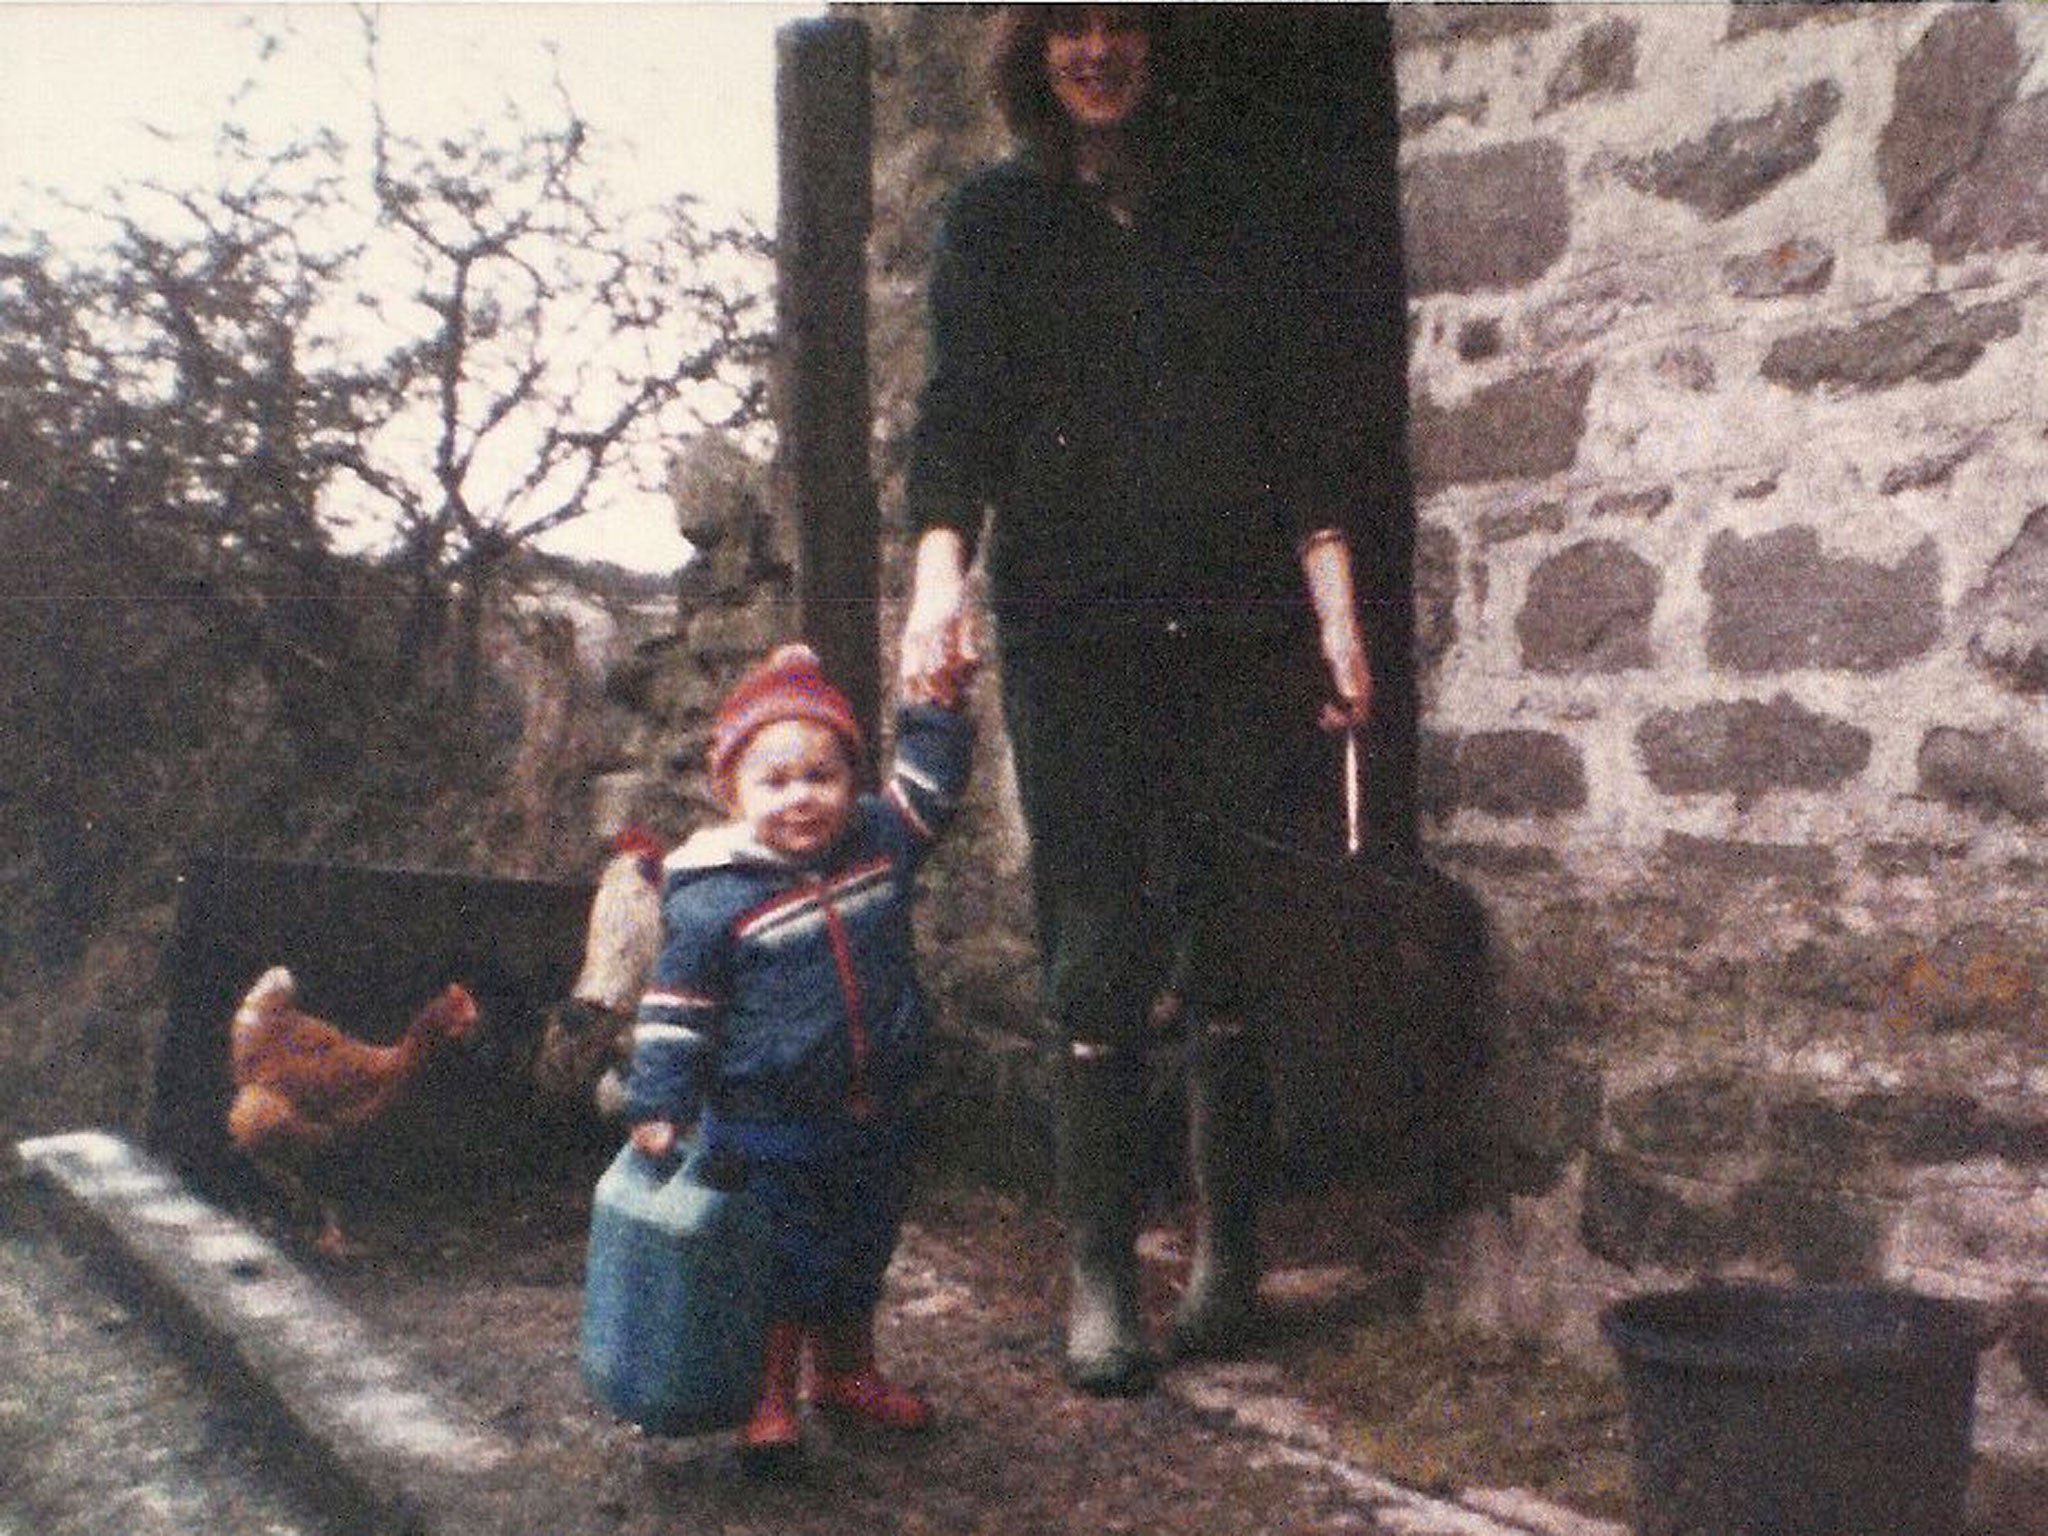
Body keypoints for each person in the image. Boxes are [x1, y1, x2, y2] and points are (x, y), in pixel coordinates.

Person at [897, 5, 1373, 1398]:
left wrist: (1336, 616)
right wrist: (941, 590)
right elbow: (957, 422)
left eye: (1123, 23)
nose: (1097, 49)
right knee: (1097, 944)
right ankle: (1102, 1274)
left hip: (1236, 624)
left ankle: (1230, 1257)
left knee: (1232, 932)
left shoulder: (1235, 215)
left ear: (1163, 46)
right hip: (1073, 629)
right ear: (1032, 52)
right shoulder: (994, 220)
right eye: (1069, 27)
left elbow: (1302, 432)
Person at [622, 643, 975, 1468]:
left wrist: (941, 710)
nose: (801, 798)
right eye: (774, 782)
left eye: (821, 775)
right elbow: (676, 1014)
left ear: (850, 781)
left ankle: (846, 1373)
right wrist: (659, 1103)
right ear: (732, 792)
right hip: (765, 1123)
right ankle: (767, 1393)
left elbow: (930, 786)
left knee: (861, 1245)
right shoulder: (714, 899)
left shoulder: (876, 844)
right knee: (779, 1260)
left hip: (873, 1108)